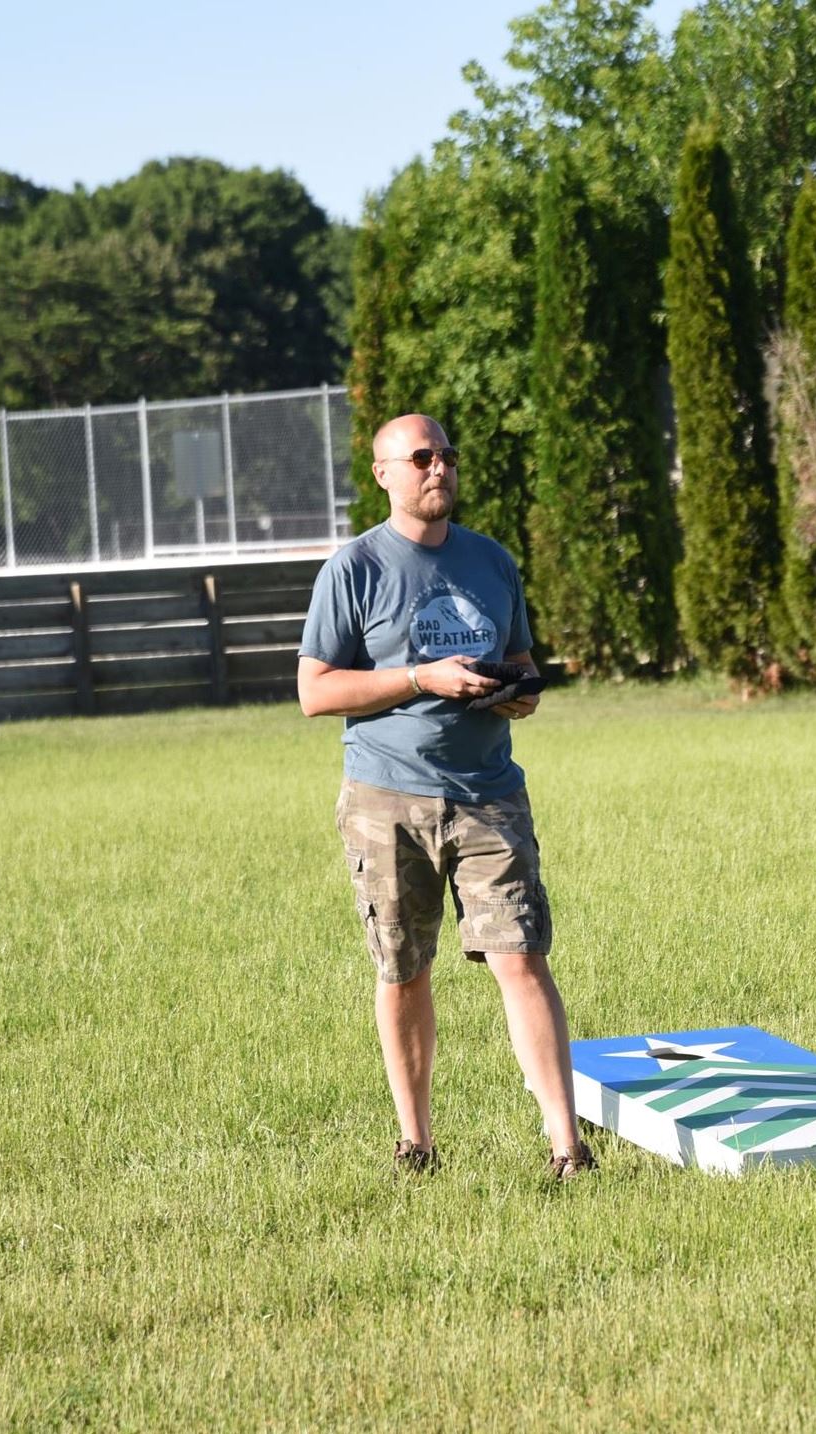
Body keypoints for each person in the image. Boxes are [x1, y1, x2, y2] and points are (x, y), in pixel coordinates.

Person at [297, 412, 594, 1180]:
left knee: (522, 958)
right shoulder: (354, 569)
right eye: (422, 457)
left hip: (490, 793)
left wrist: (519, 692)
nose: (440, 469)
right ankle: (416, 1141)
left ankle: (568, 1147)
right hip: (385, 797)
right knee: (404, 968)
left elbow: (522, 657)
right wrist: (420, 679)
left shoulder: (491, 562)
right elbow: (314, 691)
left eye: (449, 456)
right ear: (385, 474)